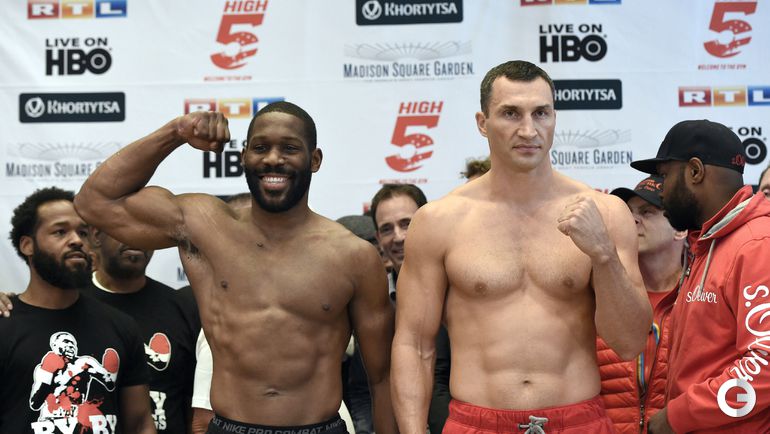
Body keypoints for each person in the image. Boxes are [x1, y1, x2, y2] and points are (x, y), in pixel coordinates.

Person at [74, 101, 397, 434]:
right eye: (260, 148)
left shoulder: (353, 256)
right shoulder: (205, 227)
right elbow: (94, 201)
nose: (273, 158)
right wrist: (177, 132)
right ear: (243, 156)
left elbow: (382, 377)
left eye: (289, 148)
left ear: (314, 160)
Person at [391, 60, 651, 434]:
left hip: (578, 422)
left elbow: (629, 343)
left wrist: (604, 255)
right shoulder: (439, 221)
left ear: (554, 118)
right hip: (477, 423)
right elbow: (414, 345)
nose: (528, 130)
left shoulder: (605, 213)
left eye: (540, 113)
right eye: (511, 113)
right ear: (483, 122)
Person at [632, 120, 770, 434]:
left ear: (695, 171)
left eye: (665, 176)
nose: (661, 191)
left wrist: (679, 415)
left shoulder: (757, 244)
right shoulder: (709, 244)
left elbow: (766, 364)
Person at [0, 187, 154, 434]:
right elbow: (35, 402)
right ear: (28, 245)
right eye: (60, 232)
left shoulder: (120, 326)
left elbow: (140, 424)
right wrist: (51, 379)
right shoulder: (5, 325)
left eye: (82, 232)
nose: (76, 241)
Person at [83, 228, 200, 433]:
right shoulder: (73, 304)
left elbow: (195, 402)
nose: (136, 238)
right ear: (96, 236)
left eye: (145, 231)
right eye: (124, 228)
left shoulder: (183, 308)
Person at [597, 176, 685, 433]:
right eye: (629, 212)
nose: (632, 220)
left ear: (680, 229)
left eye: (647, 212)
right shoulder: (601, 292)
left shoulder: (702, 294)